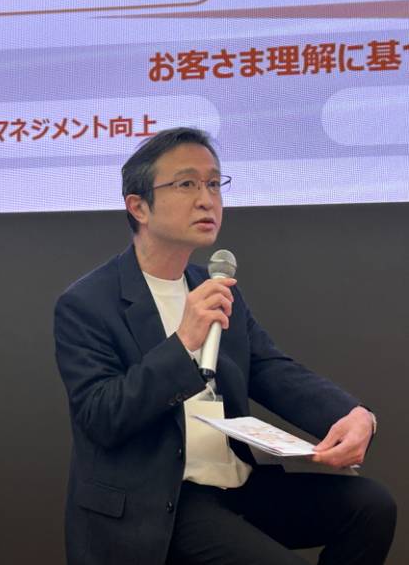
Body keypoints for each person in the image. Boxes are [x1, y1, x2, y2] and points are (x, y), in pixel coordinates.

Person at [53, 127, 396, 565]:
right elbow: (102, 416)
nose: (207, 199)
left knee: (371, 508)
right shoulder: (87, 303)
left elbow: (269, 367)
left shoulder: (213, 285)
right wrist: (183, 343)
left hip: (236, 483)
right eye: (187, 184)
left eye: (214, 184)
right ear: (138, 206)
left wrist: (351, 413)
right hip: (158, 502)